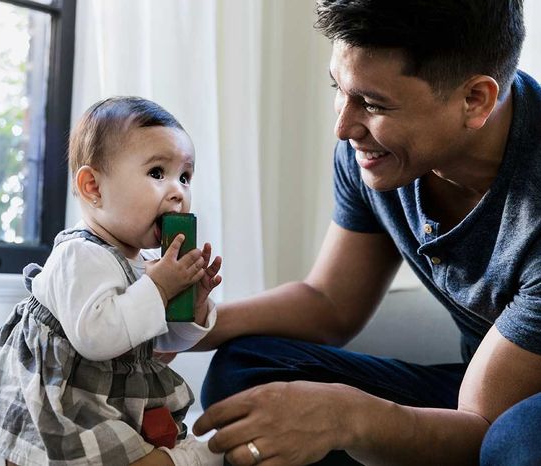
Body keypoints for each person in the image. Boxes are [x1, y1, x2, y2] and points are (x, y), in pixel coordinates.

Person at [192, 0, 541, 465]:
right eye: (339, 88)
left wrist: (348, 417)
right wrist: (183, 328)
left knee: (514, 443)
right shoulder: (380, 156)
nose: (343, 127)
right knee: (247, 371)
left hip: (512, 419)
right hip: (483, 398)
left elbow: (481, 426)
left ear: (474, 100)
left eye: (374, 104)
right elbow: (330, 304)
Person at [0, 96, 224, 466]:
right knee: (101, 453)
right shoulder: (80, 255)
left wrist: (192, 306)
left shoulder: (147, 262)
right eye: (157, 173)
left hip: (104, 394)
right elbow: (98, 337)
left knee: (130, 445)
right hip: (61, 400)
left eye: (185, 177)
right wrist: (158, 289)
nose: (178, 191)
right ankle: (195, 460)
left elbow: (158, 341)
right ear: (94, 188)